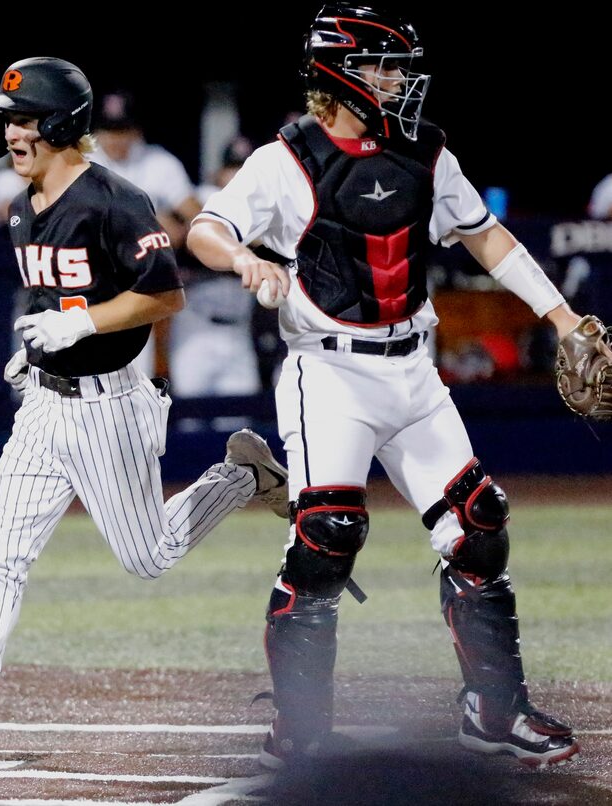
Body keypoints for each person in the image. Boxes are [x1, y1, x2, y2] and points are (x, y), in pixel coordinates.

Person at [187, 4, 582, 769]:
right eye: (384, 67)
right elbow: (208, 227)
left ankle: (494, 714)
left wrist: (561, 315)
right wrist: (244, 260)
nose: (399, 82)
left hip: (413, 370)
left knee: (478, 527)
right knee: (326, 538)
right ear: (342, 73)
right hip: (328, 372)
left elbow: (484, 234)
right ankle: (299, 731)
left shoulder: (427, 152)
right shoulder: (284, 159)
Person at [0, 56, 289, 751]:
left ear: (63, 123)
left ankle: (243, 475)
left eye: (24, 119)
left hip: (112, 405)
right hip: (44, 404)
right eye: (5, 119)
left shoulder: (115, 199)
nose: (9, 131)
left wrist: (83, 326)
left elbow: (165, 294)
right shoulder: (18, 207)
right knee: (1, 554)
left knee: (148, 555)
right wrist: (42, 349)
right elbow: (56, 298)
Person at [89, 90, 204, 377]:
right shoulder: (80, 162)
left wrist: (177, 226)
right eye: (108, 130)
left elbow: (199, 218)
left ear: (137, 130)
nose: (115, 139)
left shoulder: (159, 163)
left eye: (122, 129)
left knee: (134, 391)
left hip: (136, 296)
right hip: (86, 292)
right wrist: (150, 221)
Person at [168, 136, 260, 398]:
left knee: (241, 419)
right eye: (233, 167)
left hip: (239, 331)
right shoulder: (204, 199)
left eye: (244, 169)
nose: (237, 175)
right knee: (190, 413)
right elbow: (171, 230)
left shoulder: (262, 207)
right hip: (196, 327)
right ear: (219, 171)